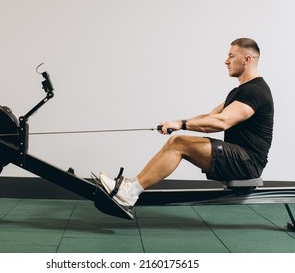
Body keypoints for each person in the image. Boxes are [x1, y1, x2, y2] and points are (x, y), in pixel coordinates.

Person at [99, 38, 274, 209]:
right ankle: (130, 187)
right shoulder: (241, 91)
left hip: (248, 162)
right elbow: (210, 116)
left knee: (178, 143)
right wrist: (174, 123)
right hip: (238, 156)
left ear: (247, 60)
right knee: (175, 142)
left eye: (231, 56)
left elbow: (222, 122)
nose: (225, 61)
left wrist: (180, 125)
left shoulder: (256, 91)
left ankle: (130, 192)